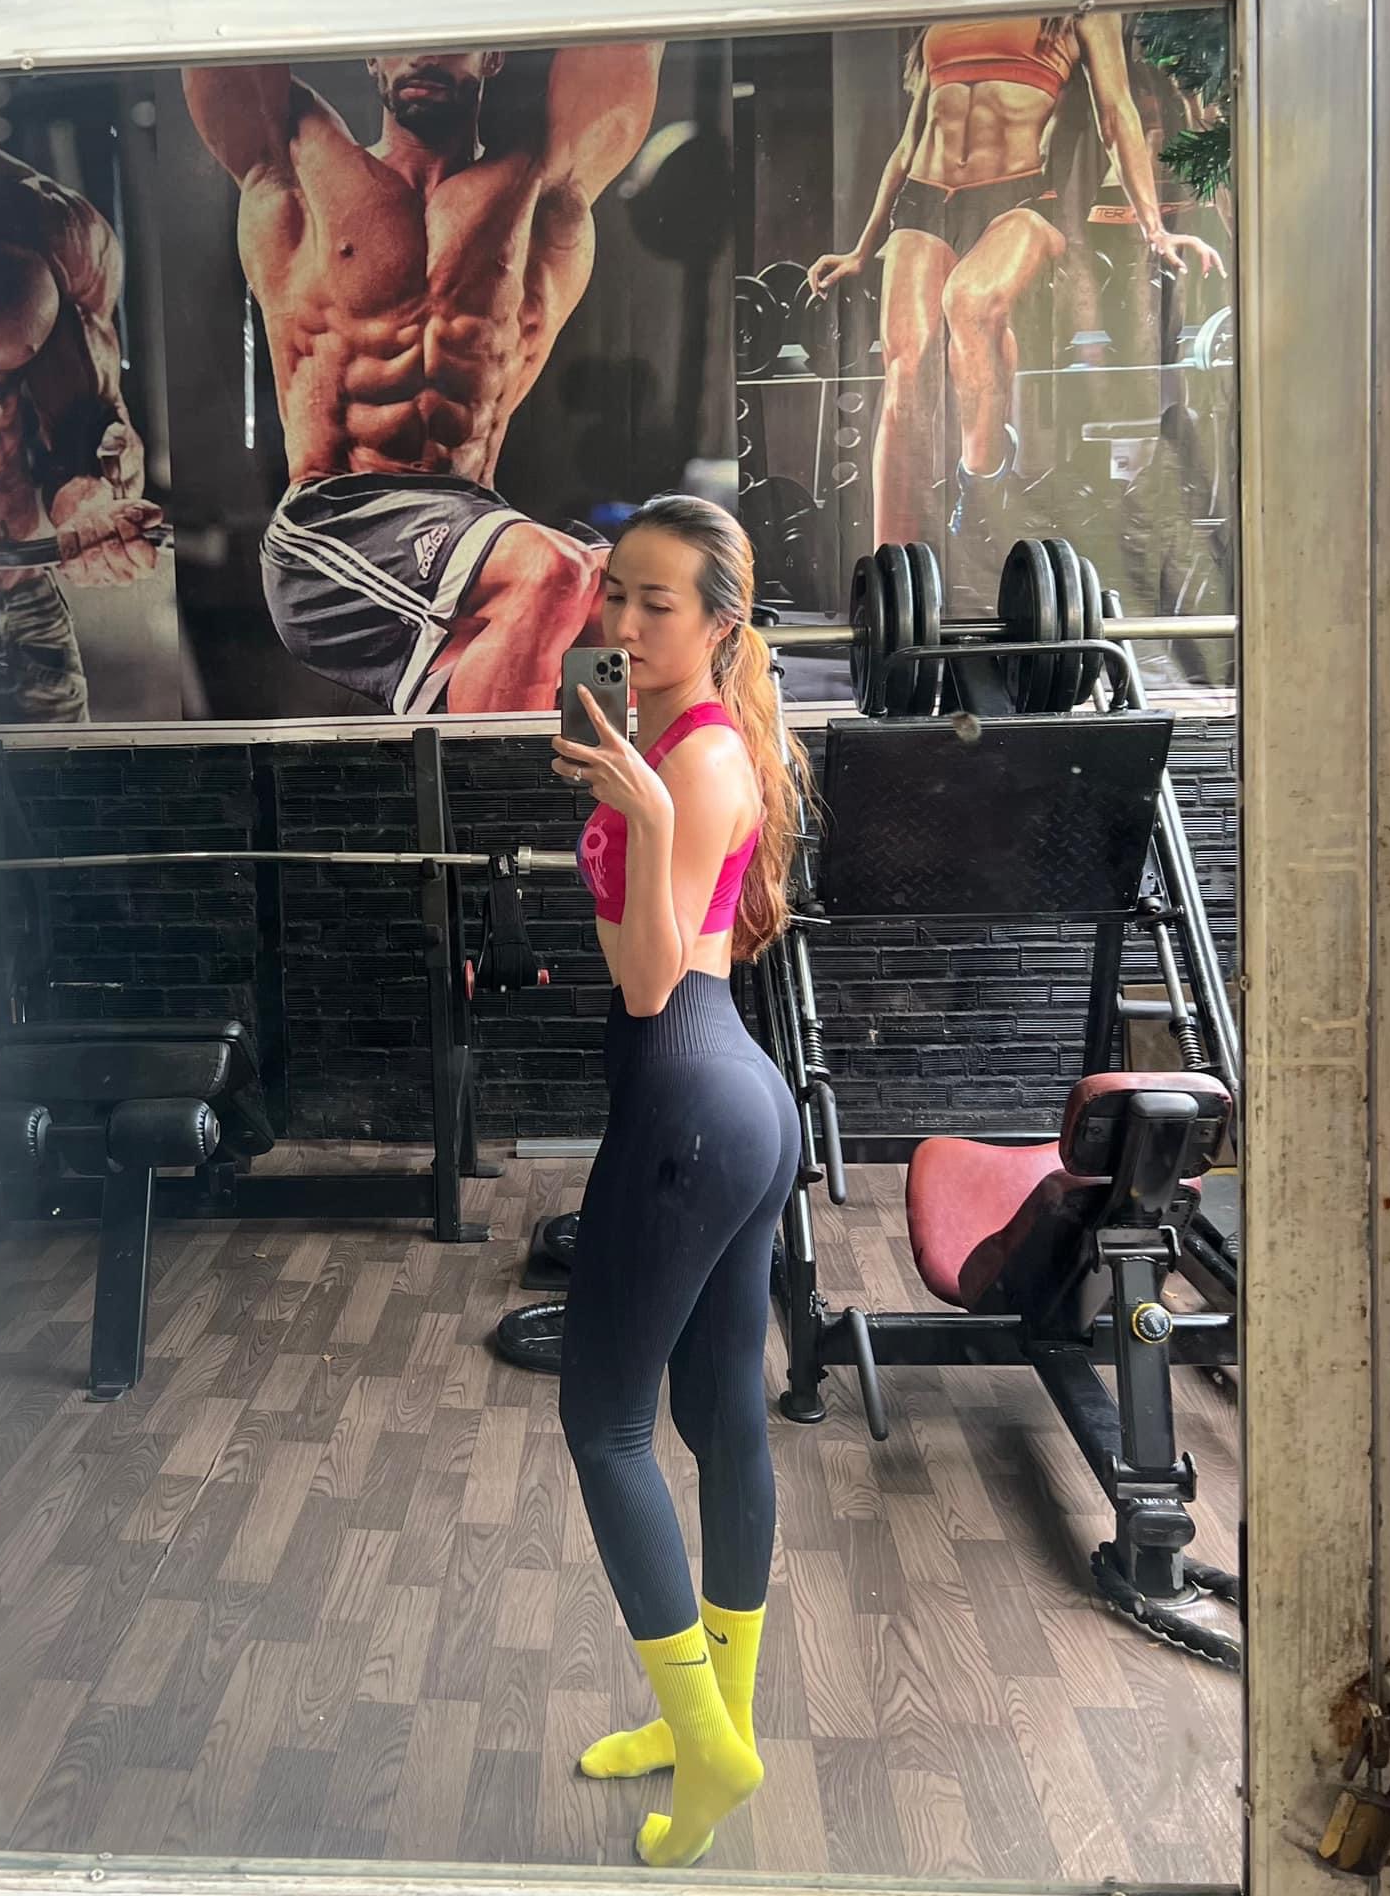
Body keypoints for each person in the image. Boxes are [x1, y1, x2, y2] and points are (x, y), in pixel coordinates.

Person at [549, 495, 803, 1868]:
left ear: (719, 625)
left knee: (605, 1428)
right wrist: (631, 794)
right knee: (715, 1414)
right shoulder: (665, 741)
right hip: (729, 1097)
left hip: (690, 1103)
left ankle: (708, 1744)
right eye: (616, 595)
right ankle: (714, 1721)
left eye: (658, 603)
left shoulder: (693, 764)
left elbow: (649, 983)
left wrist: (644, 819)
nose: (628, 623)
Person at [181, 43, 663, 714]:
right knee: (553, 569)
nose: (425, 56)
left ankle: (588, 775)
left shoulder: (538, 189)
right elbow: (215, 28)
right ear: (372, 60)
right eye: (403, 40)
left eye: (451, 40)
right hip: (337, 524)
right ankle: (491, 778)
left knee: (616, 587)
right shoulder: (298, 165)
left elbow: (629, 38)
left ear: (493, 58)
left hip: (469, 519)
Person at [807, 14, 1226, 562]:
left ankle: (980, 487)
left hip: (1016, 196)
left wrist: (1154, 228)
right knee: (904, 372)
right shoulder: (945, 9)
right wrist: (862, 249)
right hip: (924, 197)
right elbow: (910, 142)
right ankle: (890, 567)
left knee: (969, 302)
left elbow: (1115, 113)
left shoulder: (1074, 8)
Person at [0, 83, 162, 724]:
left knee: (61, 788)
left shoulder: (52, 222)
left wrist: (90, 500)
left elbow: (91, 421)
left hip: (23, 603)